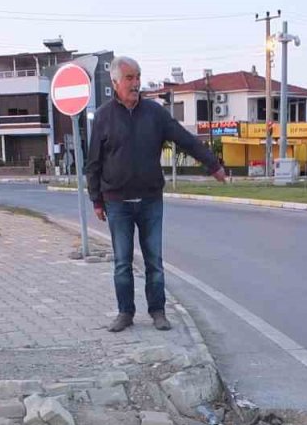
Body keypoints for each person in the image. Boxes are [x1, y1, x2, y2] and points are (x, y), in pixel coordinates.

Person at [85, 55, 226, 333]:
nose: (135, 83)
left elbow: (185, 140)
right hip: (117, 203)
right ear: (115, 82)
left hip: (150, 201)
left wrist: (213, 164)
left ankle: (158, 312)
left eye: (138, 77)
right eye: (129, 78)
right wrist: (96, 200)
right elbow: (94, 162)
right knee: (122, 263)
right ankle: (125, 313)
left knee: (154, 262)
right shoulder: (103, 116)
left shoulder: (155, 113)